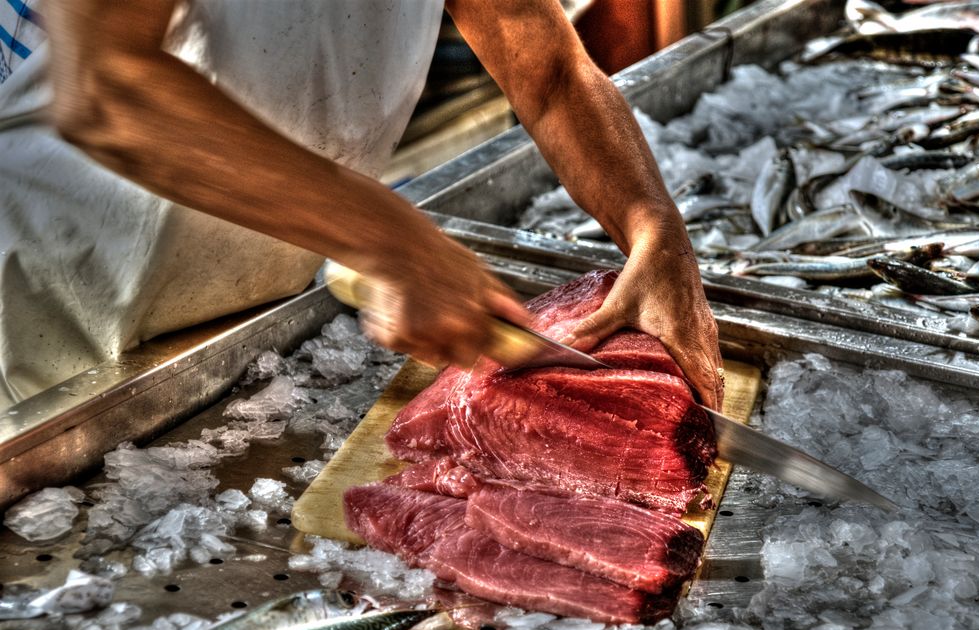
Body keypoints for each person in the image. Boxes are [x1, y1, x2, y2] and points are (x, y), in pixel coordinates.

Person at [3, 0, 722, 410]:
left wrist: (655, 227)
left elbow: (554, 74)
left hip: (238, 317)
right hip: (47, 306)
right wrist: (393, 240)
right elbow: (108, 89)